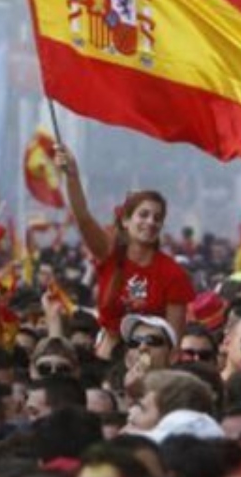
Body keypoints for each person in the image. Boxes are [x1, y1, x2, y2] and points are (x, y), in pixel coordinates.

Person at [55, 144, 193, 344]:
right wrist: (72, 177)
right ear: (126, 221)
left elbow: (173, 341)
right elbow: (83, 217)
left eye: (157, 218)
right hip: (106, 357)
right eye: (143, 215)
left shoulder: (173, 273)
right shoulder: (109, 254)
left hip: (149, 359)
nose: (150, 222)